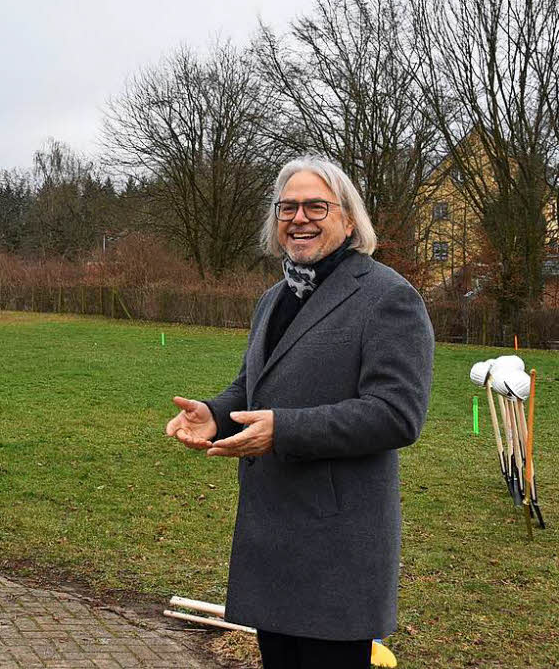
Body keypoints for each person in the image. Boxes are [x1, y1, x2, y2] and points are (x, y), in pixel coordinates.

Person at [164, 157, 434, 669]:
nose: (299, 218)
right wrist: (216, 415)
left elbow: (397, 414)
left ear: (349, 220)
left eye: (316, 206)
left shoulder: (387, 297)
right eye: (287, 207)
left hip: (337, 546)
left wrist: (282, 430)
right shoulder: (274, 298)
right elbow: (252, 386)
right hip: (274, 539)